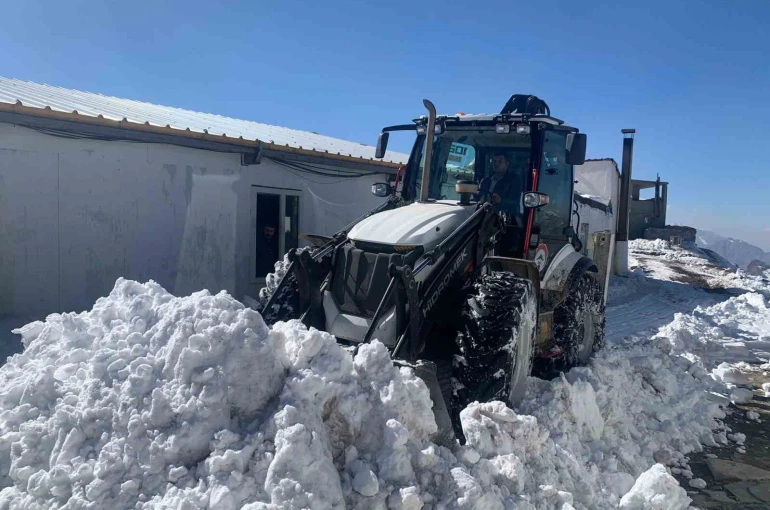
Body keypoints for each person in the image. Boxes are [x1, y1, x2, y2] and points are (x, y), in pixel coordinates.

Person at [477, 151, 523, 221]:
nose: (496, 164)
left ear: (507, 163)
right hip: (482, 215)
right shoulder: (485, 181)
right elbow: (479, 197)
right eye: (494, 161)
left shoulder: (514, 181)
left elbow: (515, 203)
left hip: (503, 219)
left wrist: (501, 201)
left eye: (500, 161)